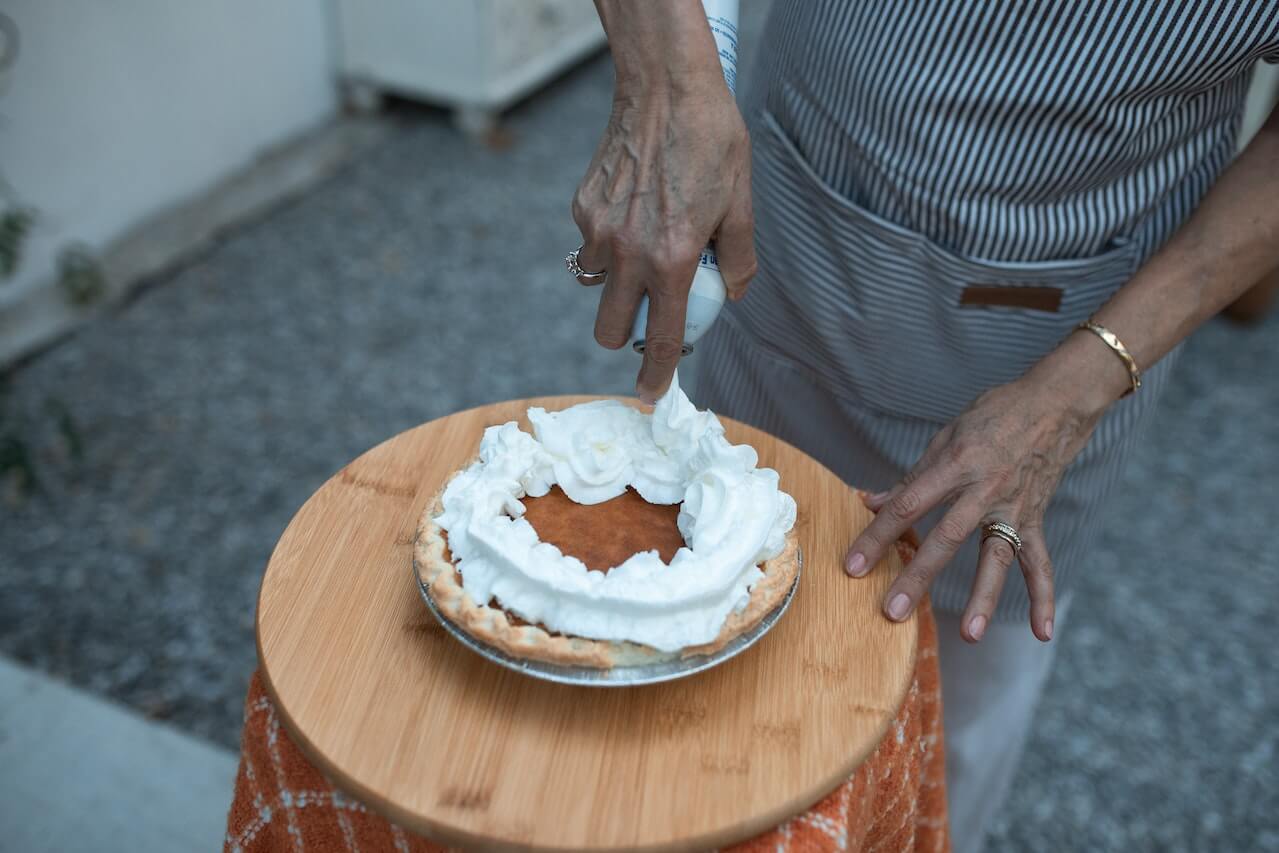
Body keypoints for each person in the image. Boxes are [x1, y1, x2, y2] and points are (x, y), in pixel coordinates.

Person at [567, 2, 1279, 851]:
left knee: (947, 713)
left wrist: (1083, 380)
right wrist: (669, 83)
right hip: (798, 213)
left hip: (1073, 320)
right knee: (699, 645)